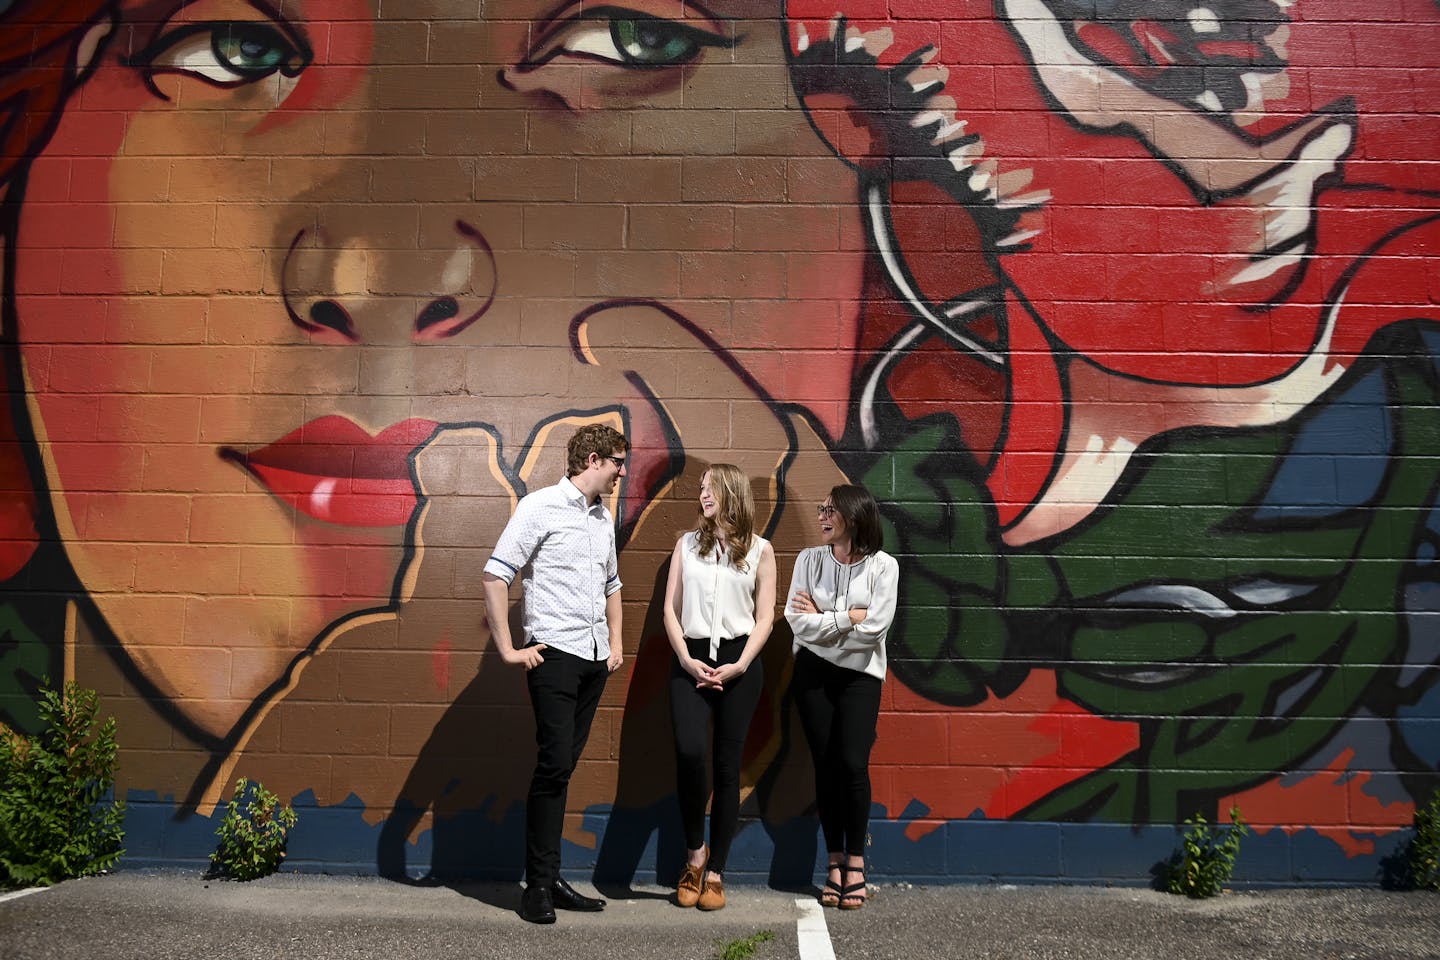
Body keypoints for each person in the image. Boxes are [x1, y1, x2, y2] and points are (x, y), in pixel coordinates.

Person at [481, 423, 628, 924]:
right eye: (616, 462)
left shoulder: (603, 518)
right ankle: (538, 887)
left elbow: (612, 583)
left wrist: (617, 642)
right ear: (592, 459)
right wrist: (507, 649)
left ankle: (550, 877)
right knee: (553, 766)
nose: (621, 472)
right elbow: (496, 574)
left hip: (593, 658)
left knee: (562, 767)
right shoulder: (538, 507)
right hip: (553, 655)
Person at [662, 464, 777, 910]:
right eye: (702, 488)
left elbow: (765, 616)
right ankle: (695, 853)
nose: (703, 494)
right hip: (689, 659)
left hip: (739, 664)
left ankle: (715, 872)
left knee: (728, 768)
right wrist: (687, 660)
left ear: (731, 492)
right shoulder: (687, 545)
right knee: (690, 752)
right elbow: (670, 611)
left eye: (710, 488)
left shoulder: (761, 551)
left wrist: (741, 664)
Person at [786, 484, 898, 910]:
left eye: (830, 509)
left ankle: (856, 861)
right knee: (825, 767)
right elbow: (796, 622)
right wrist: (846, 619)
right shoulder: (808, 560)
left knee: (852, 764)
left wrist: (824, 621)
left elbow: (875, 630)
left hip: (860, 679)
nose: (822, 516)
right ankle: (833, 861)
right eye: (822, 507)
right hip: (812, 675)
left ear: (853, 516)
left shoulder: (884, 567)